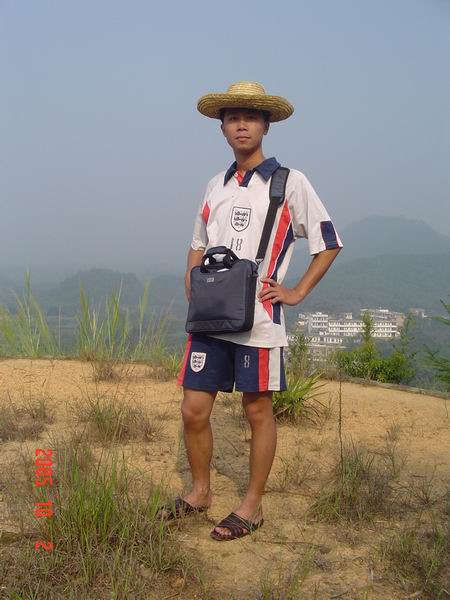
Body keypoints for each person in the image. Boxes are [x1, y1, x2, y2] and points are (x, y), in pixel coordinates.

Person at [161, 81, 343, 541]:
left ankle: (252, 505)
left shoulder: (289, 182)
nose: (241, 125)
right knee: (193, 409)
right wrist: (192, 278)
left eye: (251, 117)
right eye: (233, 118)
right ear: (222, 128)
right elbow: (198, 241)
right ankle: (199, 493)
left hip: (259, 320)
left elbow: (328, 242)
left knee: (257, 409)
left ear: (266, 126)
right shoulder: (215, 184)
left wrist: (296, 292)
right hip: (210, 317)